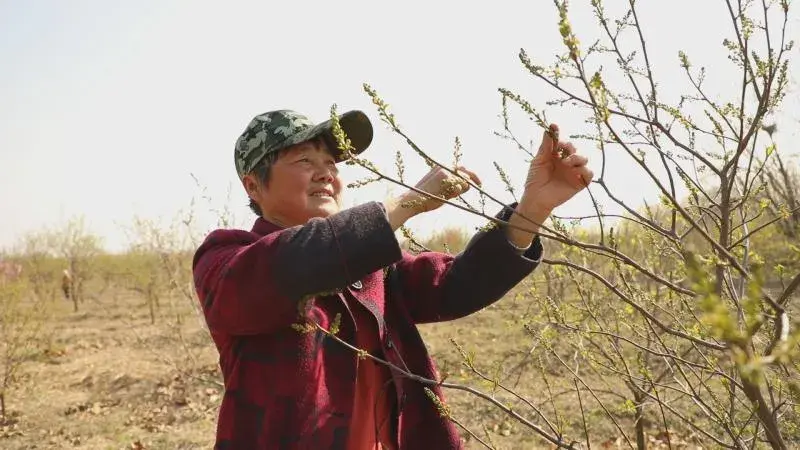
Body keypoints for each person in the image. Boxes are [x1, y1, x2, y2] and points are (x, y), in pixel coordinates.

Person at [192, 109, 593, 449]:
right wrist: (408, 202)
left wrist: (532, 209)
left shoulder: (373, 268)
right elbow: (294, 263)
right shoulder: (227, 261)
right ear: (253, 185)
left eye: (332, 162)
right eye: (303, 162)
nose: (325, 174)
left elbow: (457, 284)